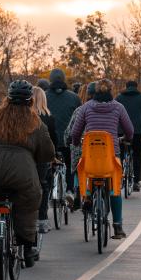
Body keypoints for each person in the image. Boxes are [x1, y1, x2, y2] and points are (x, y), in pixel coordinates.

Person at [0, 80, 54, 266]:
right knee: (29, 199)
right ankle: (27, 247)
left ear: (7, 99)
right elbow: (48, 152)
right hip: (23, 170)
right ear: (30, 101)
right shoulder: (36, 122)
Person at [70, 79, 134, 239]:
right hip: (111, 156)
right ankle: (118, 226)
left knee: (84, 170)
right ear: (111, 91)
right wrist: (125, 138)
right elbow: (130, 130)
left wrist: (76, 142)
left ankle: (86, 197)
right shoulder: (119, 107)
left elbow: (76, 132)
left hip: (90, 155)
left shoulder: (85, 107)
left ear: (95, 92)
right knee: (115, 188)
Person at [45, 68, 81, 202]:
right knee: (70, 162)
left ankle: (48, 190)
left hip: (49, 140)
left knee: (47, 165)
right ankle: (70, 190)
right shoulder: (74, 97)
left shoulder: (43, 96)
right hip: (68, 141)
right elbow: (80, 119)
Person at [116, 80, 141, 191]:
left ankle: (119, 178)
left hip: (121, 131)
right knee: (137, 155)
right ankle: (136, 182)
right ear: (136, 87)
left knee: (120, 154)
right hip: (138, 131)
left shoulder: (119, 98)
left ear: (126, 86)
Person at [64, 81, 96, 210]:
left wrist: (68, 141)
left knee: (78, 166)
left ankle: (77, 189)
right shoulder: (110, 109)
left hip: (80, 148)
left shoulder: (79, 110)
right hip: (100, 151)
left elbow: (70, 131)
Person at [33, 86, 58, 233]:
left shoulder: (26, 117)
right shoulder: (48, 117)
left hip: (27, 155)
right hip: (42, 157)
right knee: (44, 185)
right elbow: (53, 139)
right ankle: (42, 219)